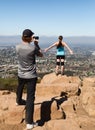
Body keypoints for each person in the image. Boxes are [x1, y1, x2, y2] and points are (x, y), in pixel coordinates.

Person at [16, 29, 43, 130]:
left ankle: (18, 101)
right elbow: (40, 54)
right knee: (30, 98)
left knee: (20, 86)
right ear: (30, 37)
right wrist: (36, 44)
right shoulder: (32, 48)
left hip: (20, 73)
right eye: (32, 36)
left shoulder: (17, 47)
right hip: (31, 76)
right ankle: (29, 123)